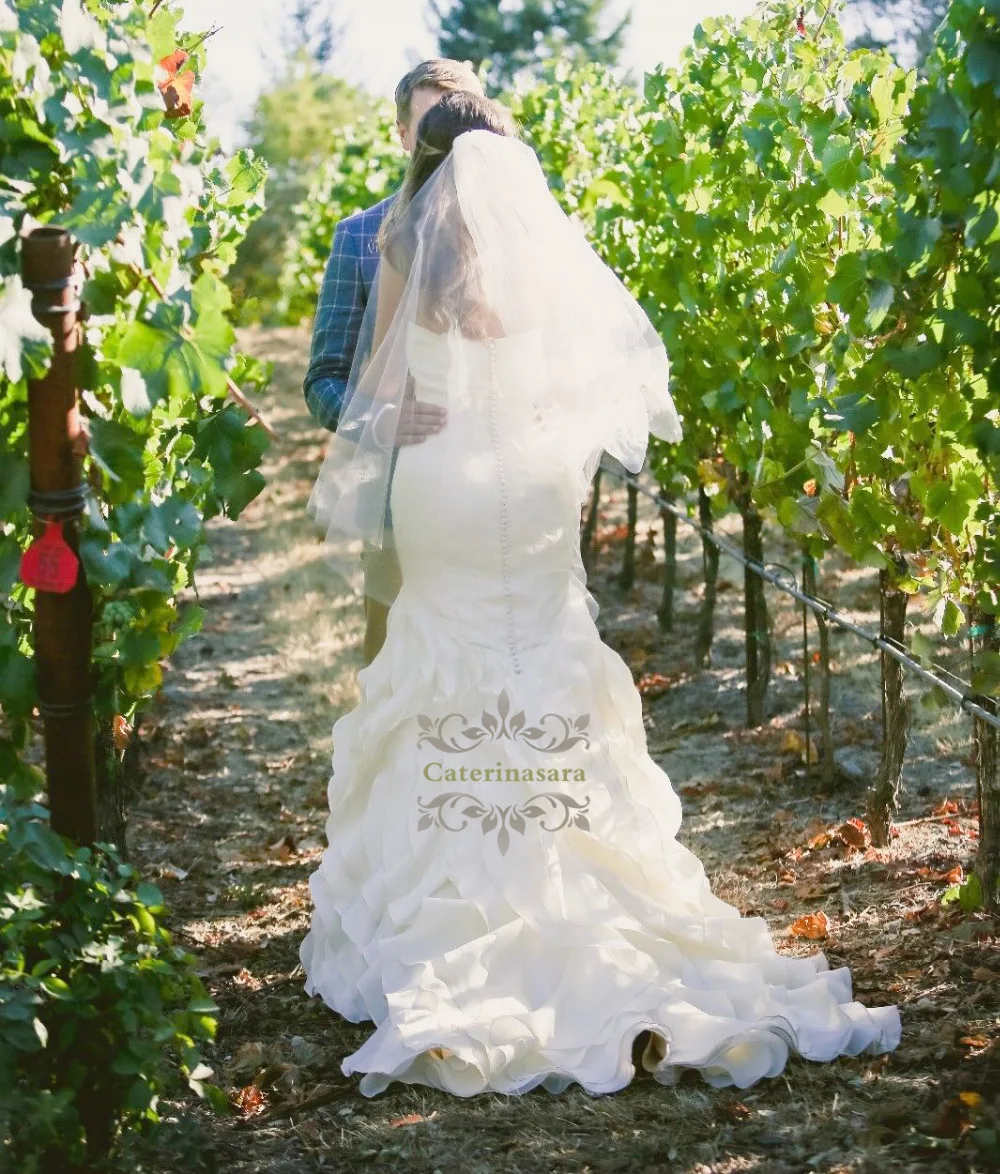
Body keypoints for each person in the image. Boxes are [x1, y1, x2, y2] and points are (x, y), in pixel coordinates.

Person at [300, 91, 902, 1098]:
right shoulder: (539, 248)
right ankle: (560, 836)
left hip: (442, 471)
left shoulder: (402, 237)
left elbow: (380, 379)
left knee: (445, 651)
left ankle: (456, 858)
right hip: (530, 476)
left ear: (423, 157)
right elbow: (588, 377)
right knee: (544, 642)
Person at [303, 58, 486, 666]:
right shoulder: (361, 236)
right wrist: (378, 423)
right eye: (433, 124)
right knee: (393, 657)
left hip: (494, 490)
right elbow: (323, 379)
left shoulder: (513, 237)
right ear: (403, 134)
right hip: (396, 499)